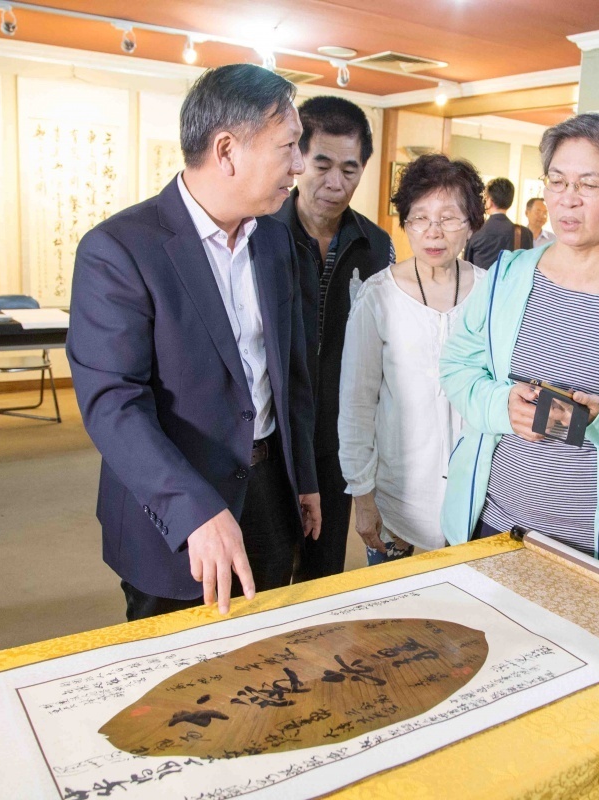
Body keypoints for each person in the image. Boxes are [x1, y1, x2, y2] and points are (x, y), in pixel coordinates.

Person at [67, 65, 321, 620]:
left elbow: (290, 372)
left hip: (270, 495)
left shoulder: (275, 241)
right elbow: (113, 403)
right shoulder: (120, 250)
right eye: (289, 146)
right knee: (177, 685)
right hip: (171, 513)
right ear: (227, 150)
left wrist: (303, 477)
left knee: (262, 657)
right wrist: (194, 510)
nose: (300, 165)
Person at [439, 114, 599, 575]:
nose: (568, 200)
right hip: (489, 523)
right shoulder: (507, 276)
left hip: (592, 548)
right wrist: (503, 406)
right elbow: (458, 365)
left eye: (589, 184)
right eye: (556, 181)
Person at [339, 155, 486, 564]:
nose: (433, 231)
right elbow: (356, 402)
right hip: (396, 495)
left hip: (476, 498)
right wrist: (361, 494)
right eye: (419, 217)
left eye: (449, 218)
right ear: (404, 224)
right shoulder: (378, 295)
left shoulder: (491, 294)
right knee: (389, 617)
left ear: (471, 224)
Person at [272, 96, 394, 582]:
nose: (335, 183)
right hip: (274, 437)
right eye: (322, 164)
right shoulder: (263, 233)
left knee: (322, 573)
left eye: (350, 168)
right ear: (299, 159)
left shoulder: (375, 244)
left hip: (336, 438)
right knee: (267, 567)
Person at [464, 177, 533, 267]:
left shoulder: (475, 233)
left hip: (482, 280)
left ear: (490, 201)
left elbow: (466, 266)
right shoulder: (524, 234)